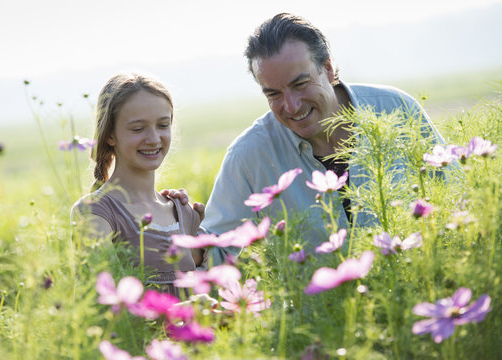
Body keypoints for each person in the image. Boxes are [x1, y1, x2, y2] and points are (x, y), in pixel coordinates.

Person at [200, 13, 447, 264]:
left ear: (328, 69)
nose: (292, 106)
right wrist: (172, 219)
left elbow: (454, 194)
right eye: (273, 94)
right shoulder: (249, 155)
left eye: (300, 84)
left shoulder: (396, 109)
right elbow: (213, 250)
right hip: (320, 304)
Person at [71, 73, 205, 297]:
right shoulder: (94, 213)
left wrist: (198, 229)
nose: (153, 138)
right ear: (110, 135)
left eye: (162, 125)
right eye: (137, 129)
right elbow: (103, 305)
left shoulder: (181, 210)